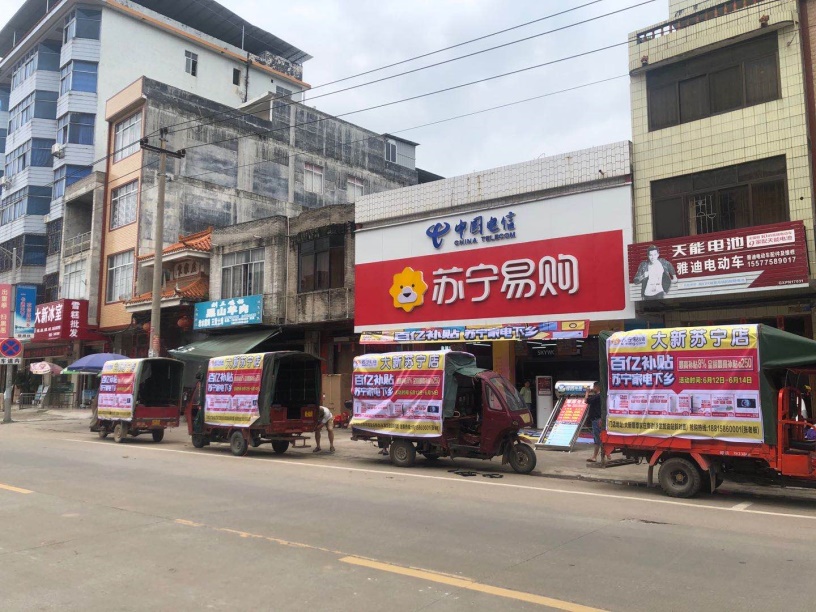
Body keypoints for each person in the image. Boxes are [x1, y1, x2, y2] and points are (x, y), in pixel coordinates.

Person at [585, 382, 610, 463]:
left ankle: (595, 457)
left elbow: (586, 400)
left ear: (597, 387)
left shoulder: (597, 396)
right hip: (600, 419)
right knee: (602, 437)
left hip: (597, 420)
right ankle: (607, 454)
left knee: (597, 439)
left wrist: (587, 392)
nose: (593, 389)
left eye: (594, 387)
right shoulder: (602, 396)